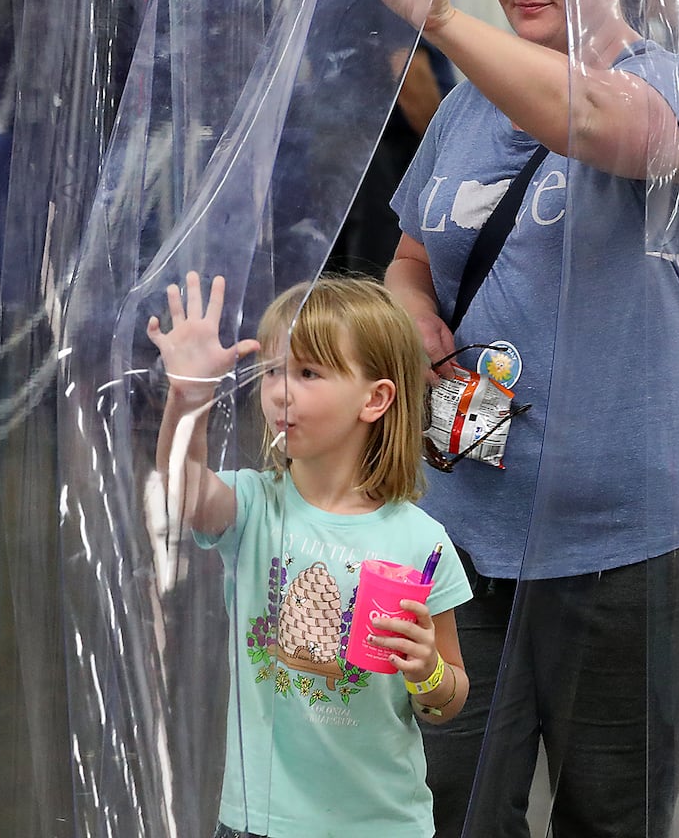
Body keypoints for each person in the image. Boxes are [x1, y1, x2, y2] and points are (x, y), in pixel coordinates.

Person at [338, 0, 679, 838]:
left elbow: (591, 118)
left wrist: (438, 21)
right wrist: (410, 311)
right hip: (462, 516)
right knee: (436, 793)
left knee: (610, 809)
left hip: (636, 532)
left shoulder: (678, 92)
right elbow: (411, 254)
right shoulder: (468, 109)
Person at [147, 272, 473, 838]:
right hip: (257, 821)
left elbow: (446, 704)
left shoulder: (422, 543)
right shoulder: (253, 505)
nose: (279, 391)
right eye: (272, 370)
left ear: (375, 398)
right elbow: (183, 488)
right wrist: (188, 398)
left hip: (381, 826)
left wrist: (427, 672)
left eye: (308, 373)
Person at [288, 0, 457, 278]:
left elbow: (311, 59)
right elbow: (409, 71)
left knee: (335, 266)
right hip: (382, 144)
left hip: (328, 132)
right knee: (377, 270)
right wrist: (451, 147)